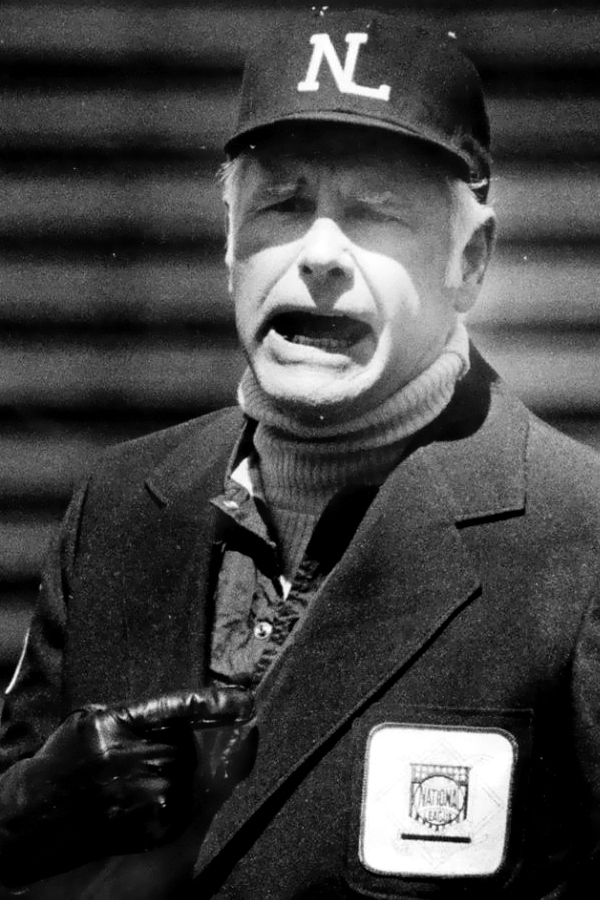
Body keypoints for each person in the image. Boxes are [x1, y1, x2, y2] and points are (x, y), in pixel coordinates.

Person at [1, 8, 600, 899]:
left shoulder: (578, 539)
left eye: (375, 211)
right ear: (230, 241)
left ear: (470, 260)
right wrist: (21, 819)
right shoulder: (118, 503)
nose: (321, 254)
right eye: (283, 203)